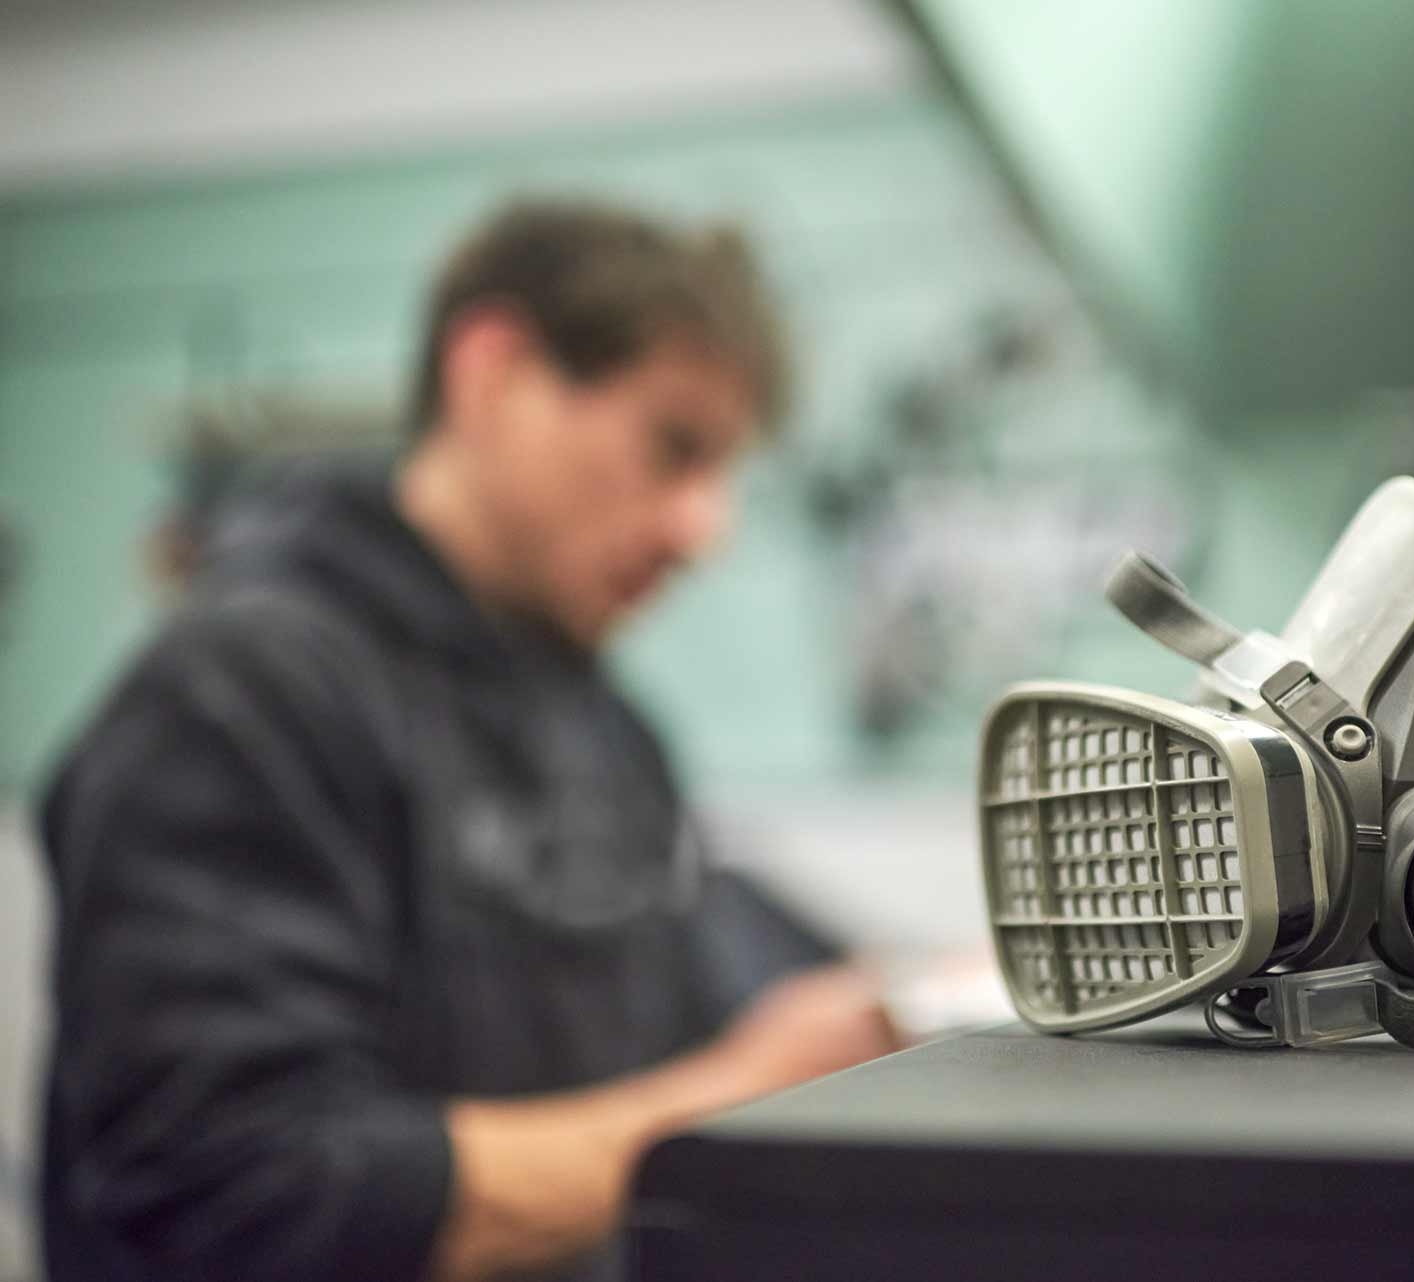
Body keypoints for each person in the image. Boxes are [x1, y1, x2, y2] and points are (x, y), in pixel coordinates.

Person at [37, 200, 901, 1282]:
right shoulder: (243, 694)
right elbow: (246, 1192)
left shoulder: (607, 727)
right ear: (492, 373)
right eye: (673, 448)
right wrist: (736, 1097)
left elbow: (699, 1003)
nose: (704, 530)